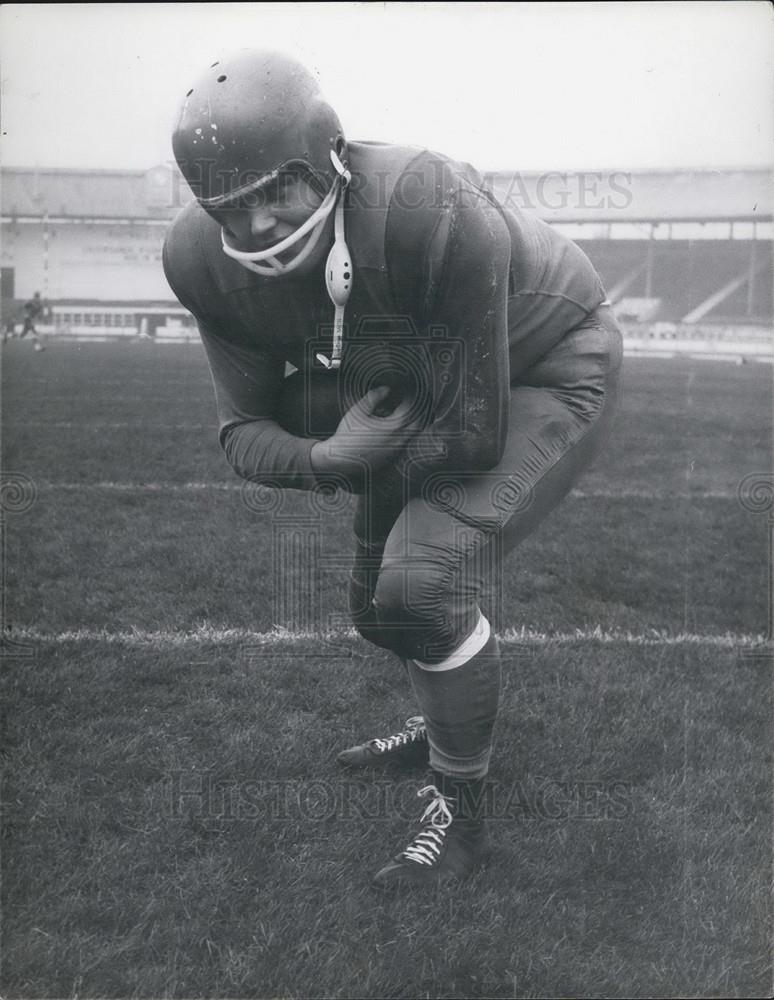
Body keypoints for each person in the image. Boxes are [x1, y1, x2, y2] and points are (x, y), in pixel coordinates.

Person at [163, 49, 623, 888]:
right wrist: (330, 455)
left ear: (330, 164)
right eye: (233, 207)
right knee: (379, 614)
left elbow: (474, 431)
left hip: (546, 366)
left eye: (278, 191)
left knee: (417, 588)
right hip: (409, 391)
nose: (259, 227)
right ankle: (445, 716)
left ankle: (461, 811)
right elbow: (245, 431)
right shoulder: (198, 261)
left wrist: (360, 450)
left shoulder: (426, 205)